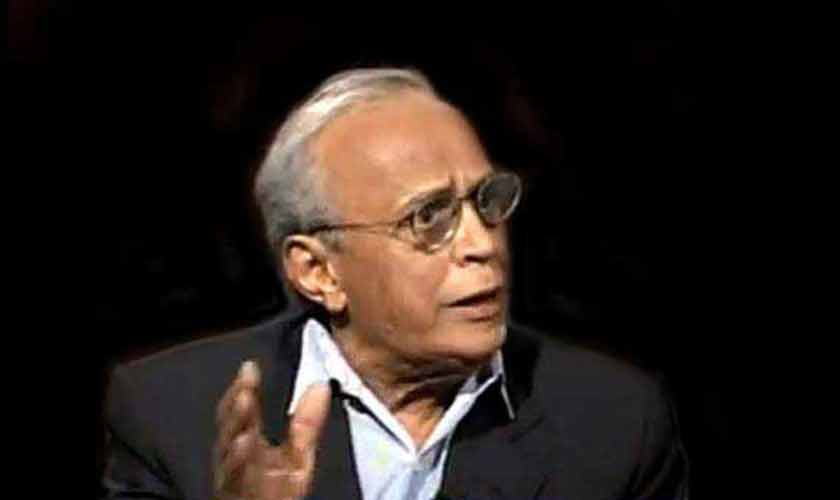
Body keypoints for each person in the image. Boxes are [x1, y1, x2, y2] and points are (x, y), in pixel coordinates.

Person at [101, 68, 689, 500]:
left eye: (486, 200)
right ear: (318, 272)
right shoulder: (168, 417)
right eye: (428, 217)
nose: (482, 244)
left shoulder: (615, 425)